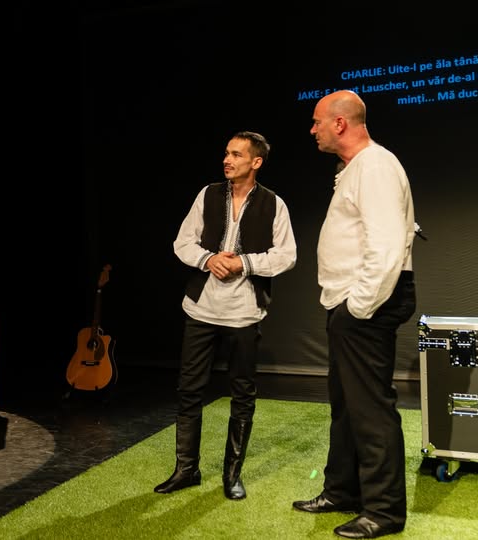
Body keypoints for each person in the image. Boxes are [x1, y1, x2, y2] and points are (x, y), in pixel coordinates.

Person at [291, 90, 416, 539]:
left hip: (366, 306)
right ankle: (342, 490)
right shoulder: (355, 168)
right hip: (349, 303)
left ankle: (384, 511)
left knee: (370, 409)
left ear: (339, 123)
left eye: (317, 121)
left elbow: (386, 247)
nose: (312, 129)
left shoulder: (375, 166)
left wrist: (357, 306)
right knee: (346, 406)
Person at [155, 131, 297, 499]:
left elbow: (286, 256)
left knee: (242, 394)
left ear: (256, 162)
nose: (227, 160)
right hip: (201, 309)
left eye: (236, 154)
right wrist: (209, 259)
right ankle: (186, 469)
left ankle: (232, 475)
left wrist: (243, 263)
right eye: (226, 153)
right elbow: (182, 242)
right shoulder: (208, 194)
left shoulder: (273, 204)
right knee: (189, 390)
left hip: (243, 314)